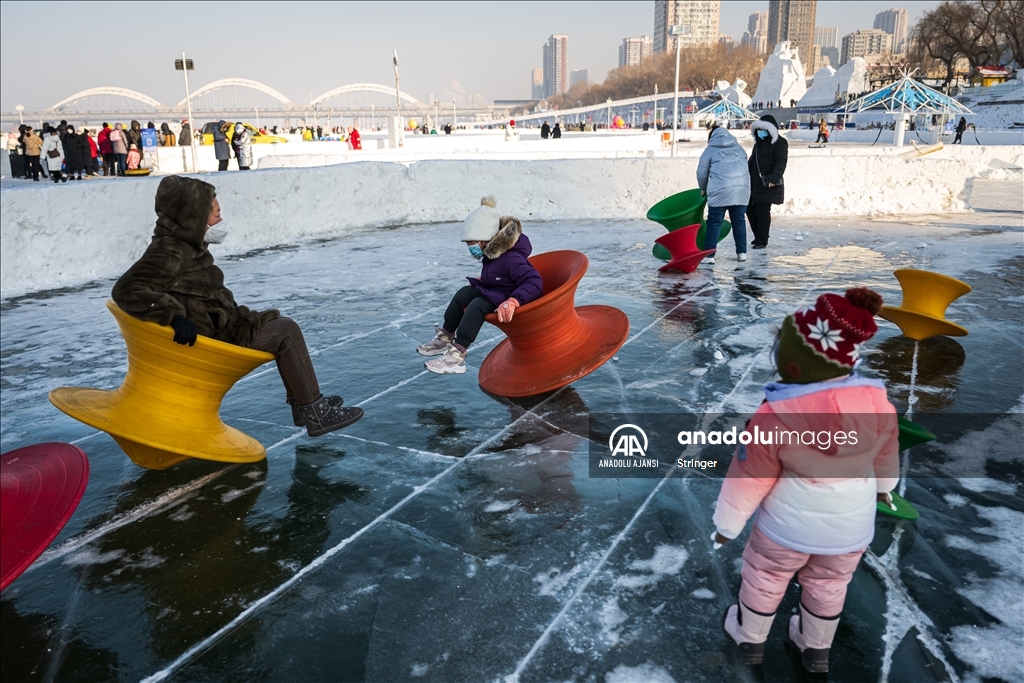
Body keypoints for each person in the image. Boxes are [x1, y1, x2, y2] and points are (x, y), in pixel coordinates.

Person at [714, 288, 898, 674]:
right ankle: (814, 647)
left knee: (765, 573)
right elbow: (886, 453)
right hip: (850, 530)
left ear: (795, 364)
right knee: (830, 583)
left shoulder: (774, 415)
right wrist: (885, 488)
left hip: (784, 531)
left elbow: (748, 476)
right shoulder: (878, 404)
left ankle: (750, 637)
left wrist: (726, 526)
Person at [112, 176, 363, 435]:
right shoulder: (170, 251)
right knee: (286, 331)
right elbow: (126, 289)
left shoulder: (187, 246)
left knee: (280, 326)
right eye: (216, 214)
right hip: (209, 341)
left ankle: (304, 403)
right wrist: (173, 316)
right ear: (194, 218)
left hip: (219, 328)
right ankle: (315, 413)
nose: (221, 221)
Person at [416, 197, 543, 375]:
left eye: (472, 242)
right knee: (464, 293)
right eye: (468, 243)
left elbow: (534, 282)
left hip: (514, 298)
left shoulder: (510, 258)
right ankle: (446, 336)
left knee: (477, 305)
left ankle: (457, 354)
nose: (470, 247)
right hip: (499, 291)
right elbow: (500, 276)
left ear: (485, 238)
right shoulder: (492, 254)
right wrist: (484, 279)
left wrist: (514, 301)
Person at [696, 126, 750, 264]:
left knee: (714, 222)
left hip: (720, 191)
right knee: (739, 221)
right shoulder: (739, 148)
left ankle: (709, 255)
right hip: (740, 191)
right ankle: (742, 253)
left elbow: (701, 174)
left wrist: (703, 189)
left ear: (711, 137)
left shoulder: (710, 150)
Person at [747, 114, 788, 250]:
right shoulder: (758, 143)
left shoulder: (780, 143)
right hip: (754, 182)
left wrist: (774, 179)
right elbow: (753, 161)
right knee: (749, 209)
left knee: (763, 211)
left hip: (768, 183)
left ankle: (761, 240)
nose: (760, 132)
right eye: (758, 130)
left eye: (763, 129)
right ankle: (759, 235)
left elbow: (781, 162)